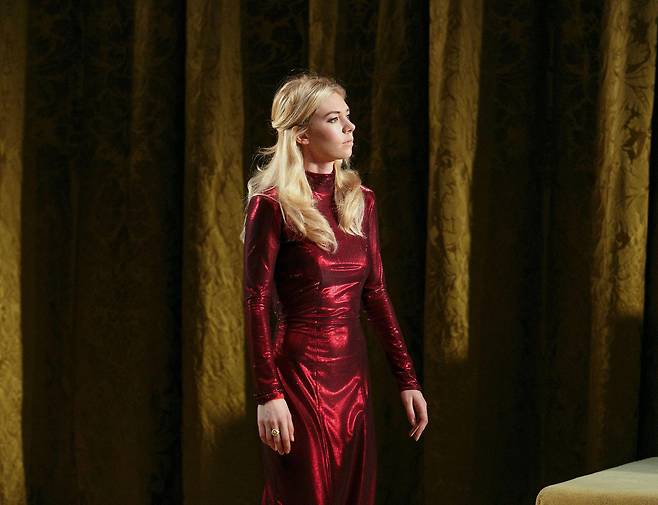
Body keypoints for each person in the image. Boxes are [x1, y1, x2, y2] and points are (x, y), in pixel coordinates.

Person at [241, 72, 428, 505]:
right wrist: (268, 394)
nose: (350, 126)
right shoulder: (271, 204)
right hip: (299, 376)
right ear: (302, 134)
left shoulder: (361, 199)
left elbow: (375, 293)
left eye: (347, 115)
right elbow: (256, 302)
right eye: (333, 119)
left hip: (353, 378)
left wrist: (407, 379)